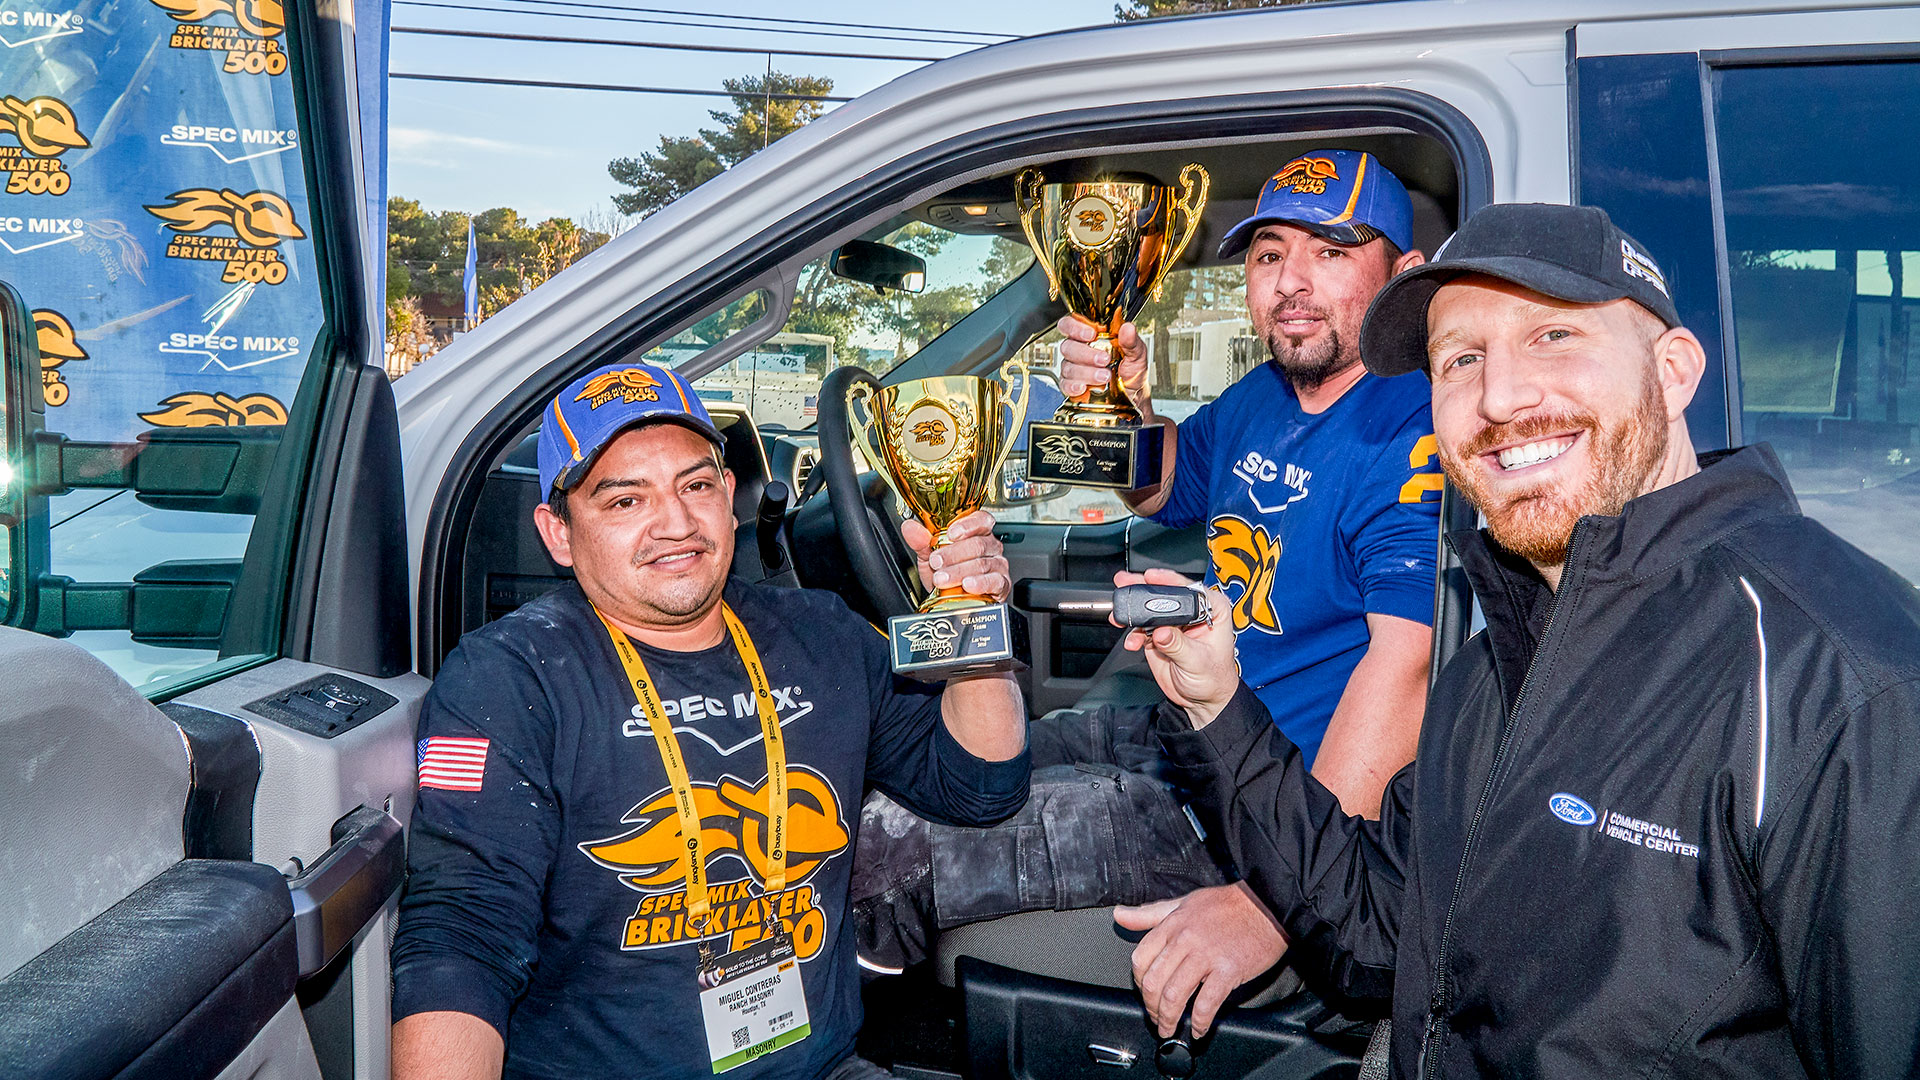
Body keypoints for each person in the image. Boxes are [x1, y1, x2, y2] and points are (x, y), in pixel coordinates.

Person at [1132, 203, 1920, 1075]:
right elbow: (1374, 936)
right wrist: (1217, 705)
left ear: (1675, 371)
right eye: (1460, 359)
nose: (1500, 398)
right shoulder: (1494, 668)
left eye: (1552, 338)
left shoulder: (1844, 682)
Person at [853, 150, 1443, 1029]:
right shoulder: (1269, 395)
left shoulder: (1416, 427)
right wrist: (1120, 402)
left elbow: (1409, 668)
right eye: (1270, 253)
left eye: (1331, 251)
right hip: (1186, 731)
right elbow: (1163, 483)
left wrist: (1274, 902)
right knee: (923, 775)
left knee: (879, 853)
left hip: (1269, 809)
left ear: (1406, 277)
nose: (1291, 282)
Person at [390, 360, 1031, 1080]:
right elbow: (462, 935)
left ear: (728, 497)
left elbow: (980, 785)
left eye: (694, 485)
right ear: (560, 533)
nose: (675, 523)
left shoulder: (820, 633)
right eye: (625, 502)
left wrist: (976, 616)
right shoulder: (508, 678)